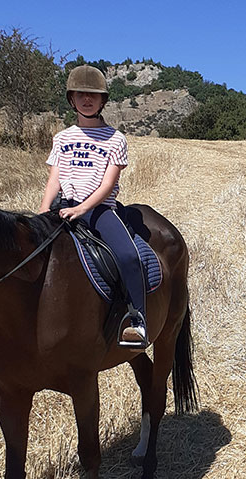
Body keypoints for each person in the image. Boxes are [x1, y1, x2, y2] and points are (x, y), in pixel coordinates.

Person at [39, 65, 148, 348]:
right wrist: (42, 210)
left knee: (129, 256)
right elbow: (54, 180)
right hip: (63, 205)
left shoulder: (115, 139)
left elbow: (108, 184)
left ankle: (136, 320)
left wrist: (82, 209)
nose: (86, 99)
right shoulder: (62, 138)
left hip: (99, 210)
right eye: (80, 94)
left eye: (93, 95)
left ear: (102, 101)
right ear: (71, 99)